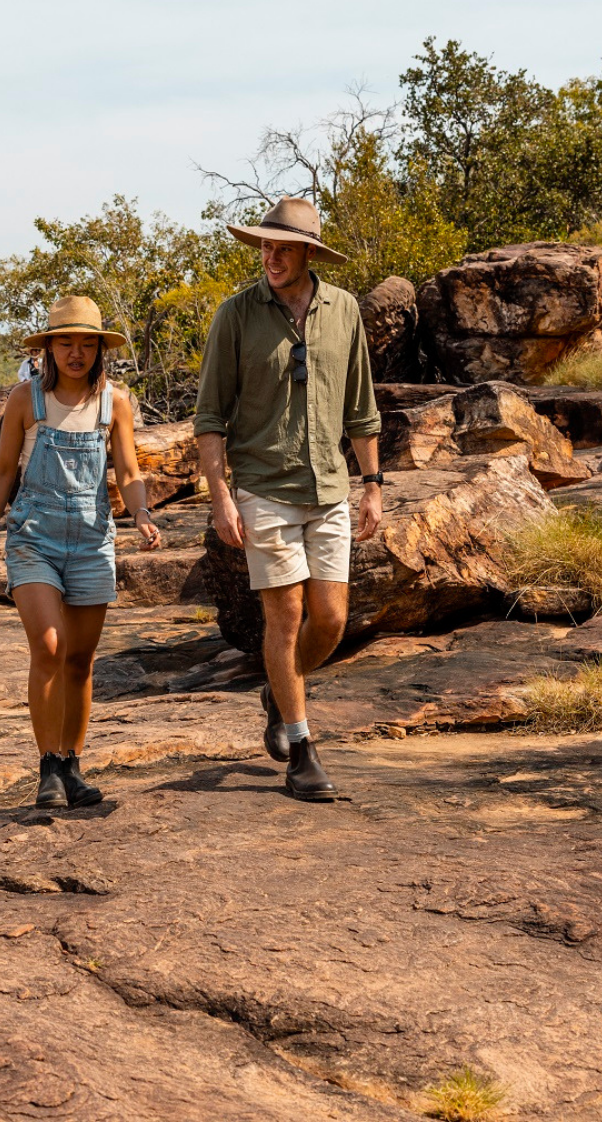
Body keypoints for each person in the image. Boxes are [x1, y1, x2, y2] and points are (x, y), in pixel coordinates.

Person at [193, 198, 382, 802]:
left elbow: (361, 409)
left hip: (328, 485)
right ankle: (302, 750)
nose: (269, 258)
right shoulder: (236, 315)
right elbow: (210, 417)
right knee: (286, 616)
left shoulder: (344, 311)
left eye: (282, 248)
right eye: (264, 248)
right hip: (263, 489)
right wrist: (221, 496)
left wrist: (372, 485)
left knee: (331, 619)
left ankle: (281, 687)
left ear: (308, 253)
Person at [0, 296, 160, 808]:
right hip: (33, 538)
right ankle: (46, 768)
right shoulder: (25, 400)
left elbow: (127, 473)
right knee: (51, 647)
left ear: (101, 349)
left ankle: (71, 766)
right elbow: (1, 474)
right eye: (66, 341)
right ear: (48, 348)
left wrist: (143, 514)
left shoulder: (116, 403)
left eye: (87, 343)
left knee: (81, 660)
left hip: (91, 541)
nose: (76, 352)